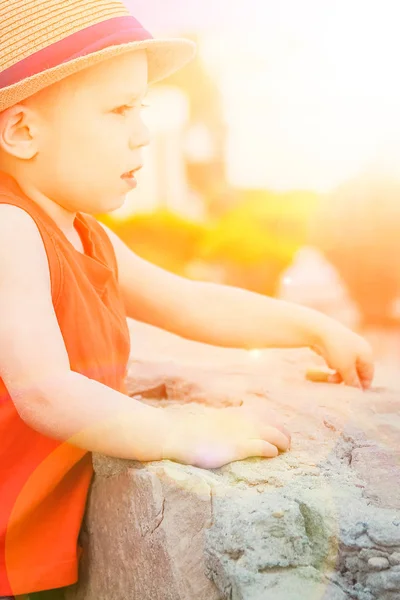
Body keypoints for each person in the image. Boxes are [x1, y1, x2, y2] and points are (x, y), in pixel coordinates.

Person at [0, 1, 373, 598]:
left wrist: (308, 325)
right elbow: (44, 390)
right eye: (120, 109)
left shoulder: (84, 235)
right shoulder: (9, 228)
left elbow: (191, 302)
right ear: (21, 131)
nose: (142, 132)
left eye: (141, 107)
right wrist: (183, 435)